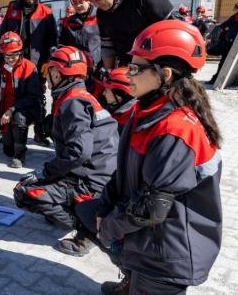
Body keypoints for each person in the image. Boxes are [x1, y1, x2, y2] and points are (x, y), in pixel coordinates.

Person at [76, 20, 223, 294]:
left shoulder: (176, 129)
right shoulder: (146, 110)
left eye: (135, 68)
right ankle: (132, 276)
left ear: (164, 74)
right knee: (86, 211)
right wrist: (103, 210)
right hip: (149, 230)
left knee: (107, 228)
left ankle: (139, 280)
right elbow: (124, 171)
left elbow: (150, 208)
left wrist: (108, 229)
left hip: (168, 252)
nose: (127, 73)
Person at [14, 46, 118, 256]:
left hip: (91, 183)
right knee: (43, 186)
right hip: (102, 176)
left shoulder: (72, 103)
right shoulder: (81, 95)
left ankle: (87, 227)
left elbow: (78, 152)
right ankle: (74, 210)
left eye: (48, 71)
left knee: (24, 191)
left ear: (58, 74)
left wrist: (45, 172)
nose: (46, 77)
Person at [0, 0, 58, 145]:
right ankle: (5, 129)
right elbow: (2, 35)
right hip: (12, 61)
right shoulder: (12, 9)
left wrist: (49, 63)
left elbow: (53, 41)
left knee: (38, 98)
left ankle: (39, 132)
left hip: (37, 65)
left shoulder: (46, 13)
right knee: (8, 94)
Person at [78, 0, 173, 69]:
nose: (96, 5)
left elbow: (172, 30)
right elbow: (108, 46)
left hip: (157, 65)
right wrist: (108, 72)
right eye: (92, 2)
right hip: (127, 69)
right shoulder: (102, 14)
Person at [0, 32, 42, 168]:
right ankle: (9, 141)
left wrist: (11, 110)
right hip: (4, 111)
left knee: (19, 118)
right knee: (8, 151)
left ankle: (20, 155)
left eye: (14, 54)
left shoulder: (29, 67)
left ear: (20, 52)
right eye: (7, 56)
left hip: (23, 110)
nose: (11, 59)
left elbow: (33, 97)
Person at [59, 0, 101, 68]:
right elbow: (62, 45)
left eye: (81, 2)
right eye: (74, 3)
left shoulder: (100, 17)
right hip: (76, 66)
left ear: (88, 0)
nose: (78, 6)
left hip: (98, 66)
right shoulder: (67, 22)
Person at [208, 0, 238, 84]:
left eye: (235, 7)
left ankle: (216, 79)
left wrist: (223, 33)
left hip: (228, 43)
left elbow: (225, 26)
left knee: (223, 63)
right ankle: (218, 79)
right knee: (225, 62)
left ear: (237, 8)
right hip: (233, 43)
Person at [100, 67, 136, 133]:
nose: (103, 93)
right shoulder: (114, 106)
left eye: (106, 90)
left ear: (118, 96)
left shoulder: (129, 120)